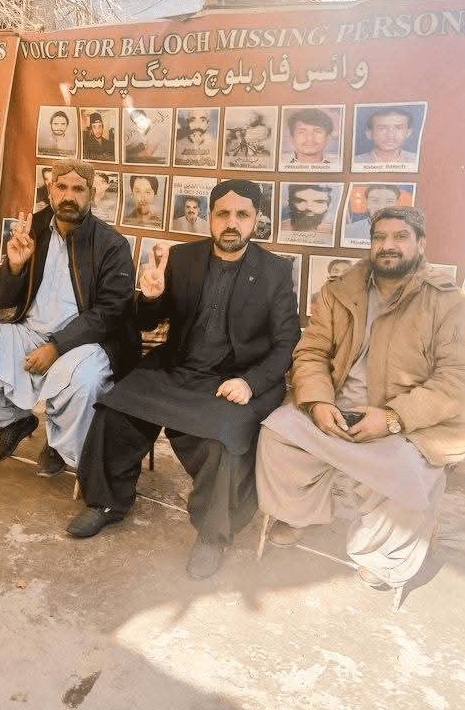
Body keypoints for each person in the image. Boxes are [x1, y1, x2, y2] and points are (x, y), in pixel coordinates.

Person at [66, 178, 300, 580]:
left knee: (224, 441)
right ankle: (107, 502)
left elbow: (285, 343)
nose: (232, 223)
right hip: (177, 368)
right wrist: (151, 297)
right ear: (210, 218)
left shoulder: (274, 271)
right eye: (223, 213)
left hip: (234, 379)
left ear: (256, 220)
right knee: (115, 407)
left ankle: (213, 535)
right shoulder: (184, 258)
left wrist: (250, 382)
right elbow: (146, 322)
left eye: (242, 214)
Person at [255, 206, 465, 592]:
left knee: (405, 470)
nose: (388, 246)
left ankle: (381, 556)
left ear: (420, 244)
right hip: (333, 409)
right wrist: (317, 402)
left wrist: (392, 418)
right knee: (277, 432)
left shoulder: (450, 302)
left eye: (400, 238)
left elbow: (461, 378)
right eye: (380, 238)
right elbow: (311, 352)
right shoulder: (340, 291)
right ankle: (300, 515)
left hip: (405, 423)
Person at [0, 158, 139, 478]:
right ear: (50, 189)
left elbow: (111, 312)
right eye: (61, 187)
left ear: (91, 194)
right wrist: (14, 267)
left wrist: (57, 346)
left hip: (85, 342)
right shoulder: (32, 229)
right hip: (29, 330)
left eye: (78, 189)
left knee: (86, 381)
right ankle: (14, 421)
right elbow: (1, 300)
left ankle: (60, 444)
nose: (69, 195)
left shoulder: (111, 244)